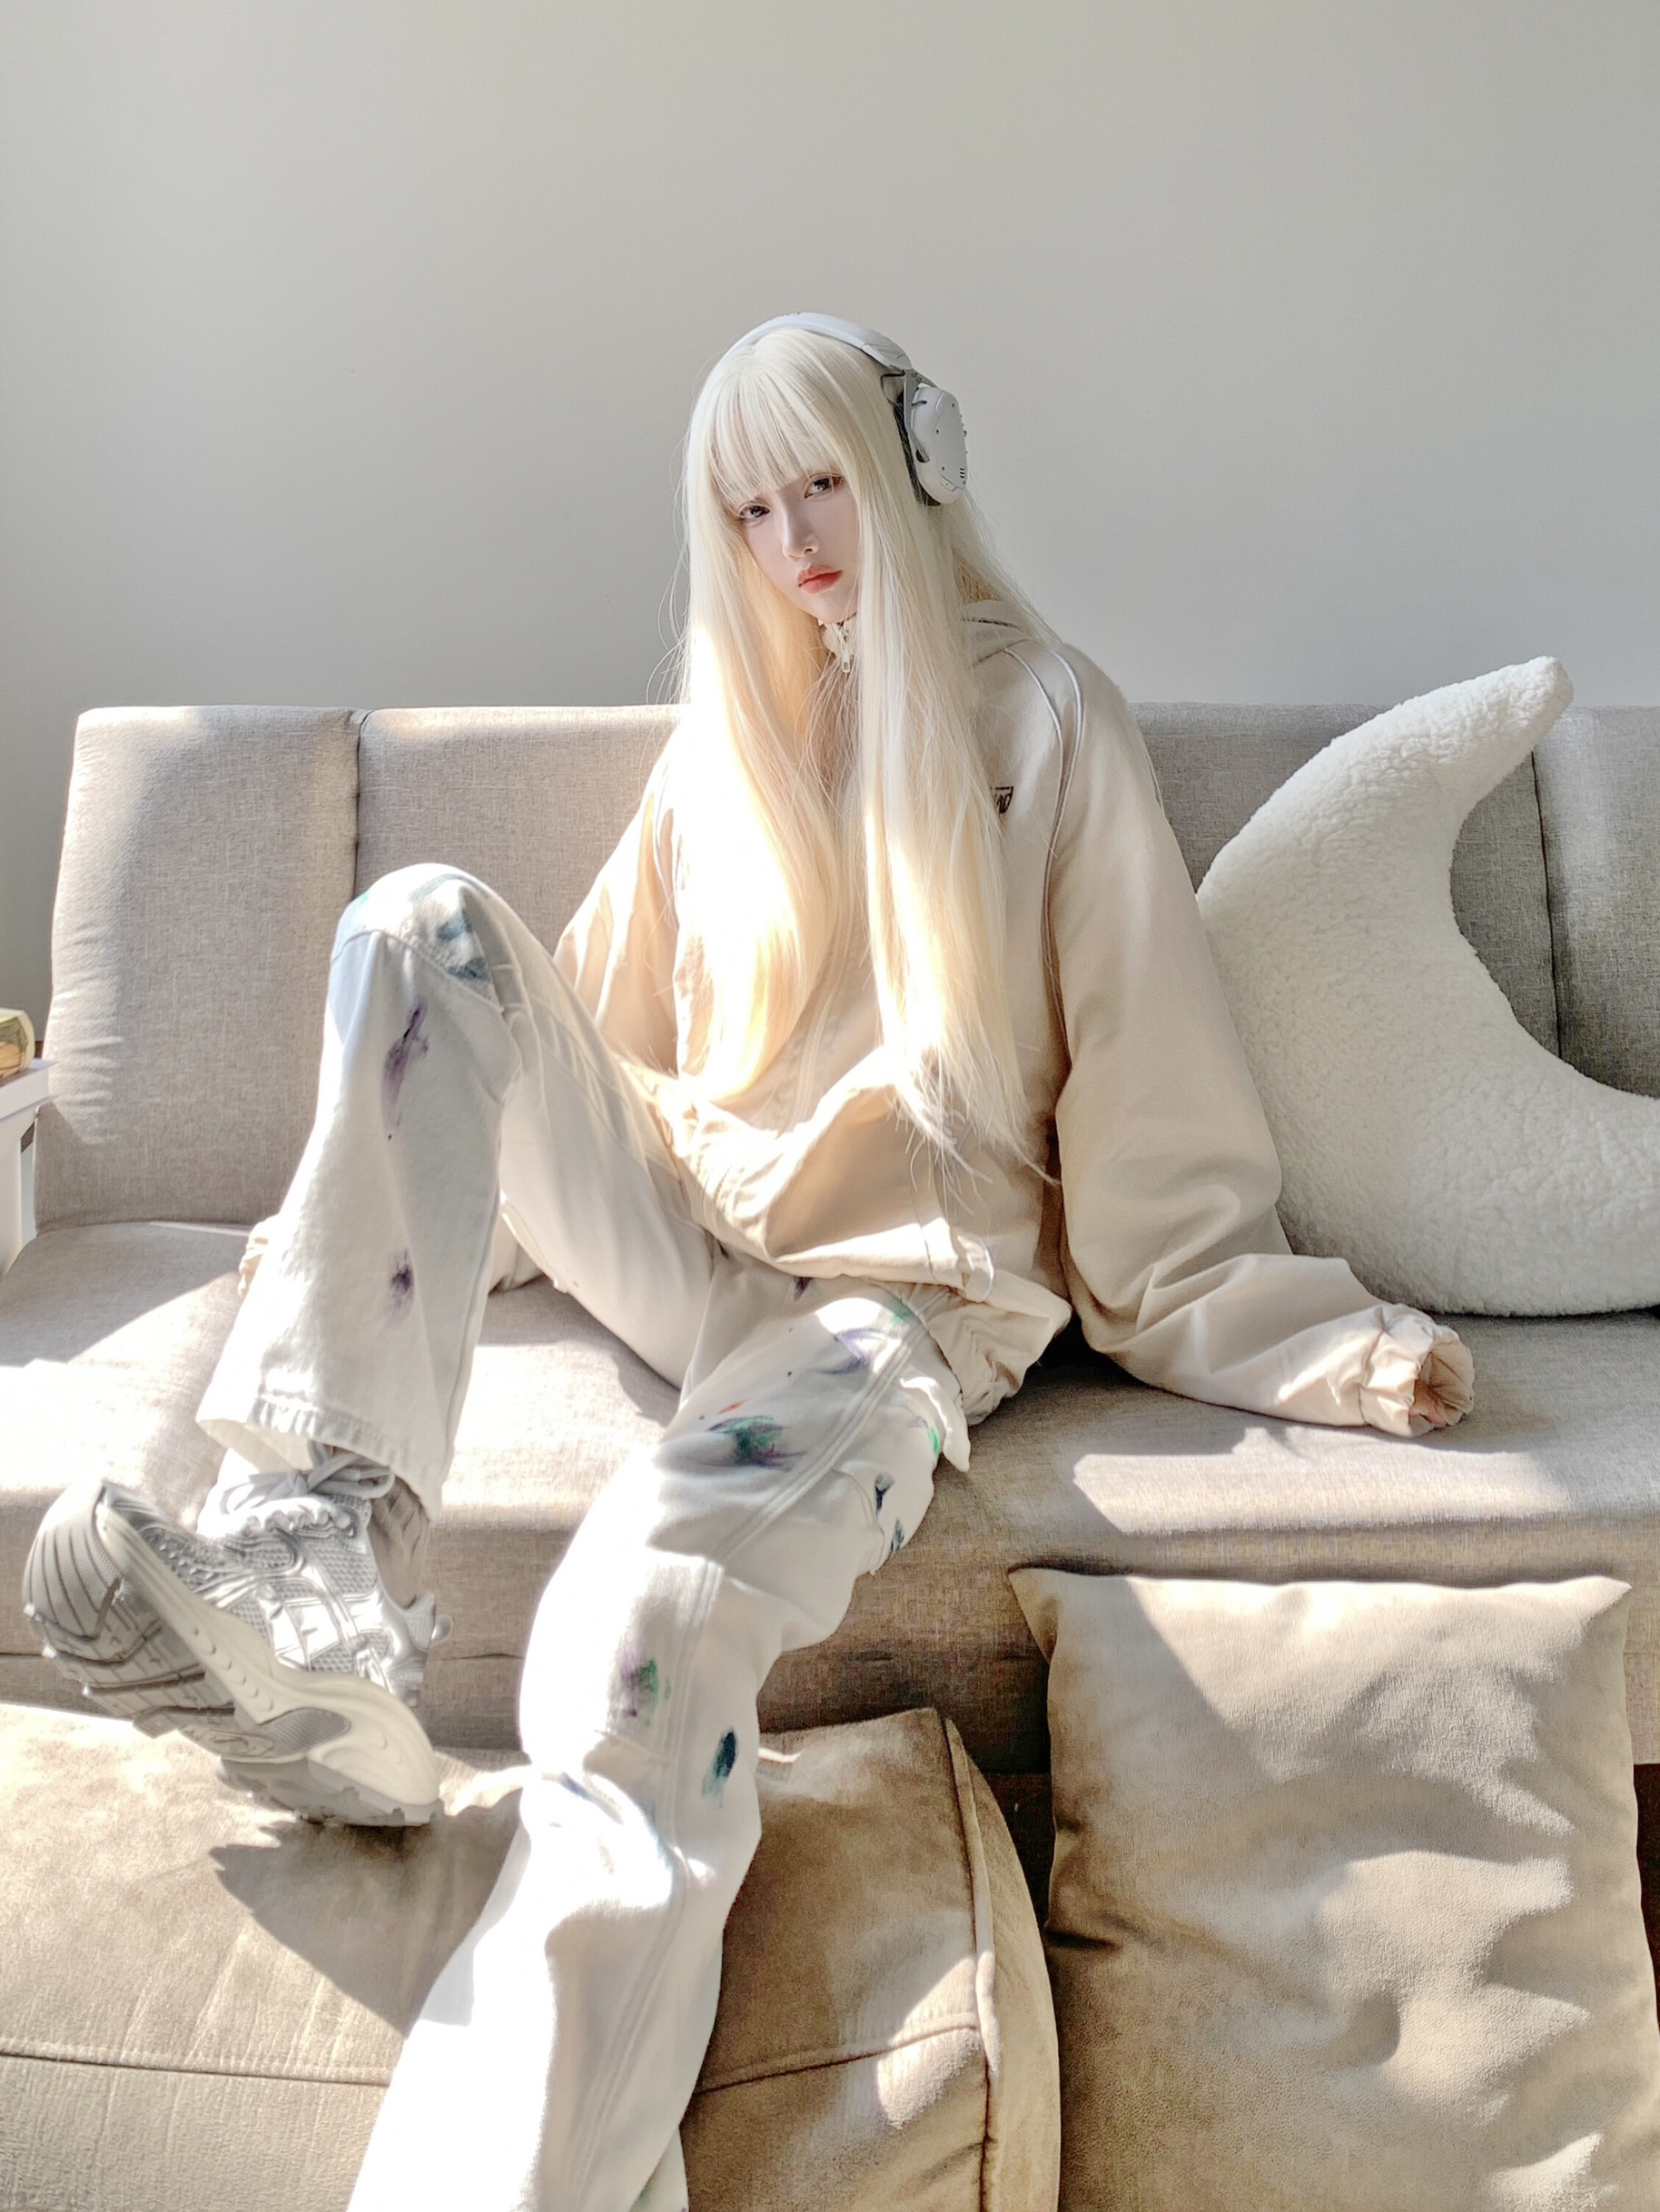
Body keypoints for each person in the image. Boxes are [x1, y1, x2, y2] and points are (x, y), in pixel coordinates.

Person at [24, 313, 1474, 2211]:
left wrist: (1303, 1341)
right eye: (746, 510)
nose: (792, 543)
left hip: (885, 1318)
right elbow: (565, 1040)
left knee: (636, 1631)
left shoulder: (1045, 720)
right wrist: (378, 1222)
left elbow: (1149, 1074)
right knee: (417, 919)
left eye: (821, 487)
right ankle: (323, 1564)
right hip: (688, 1235)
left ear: (912, 473)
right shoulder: (731, 742)